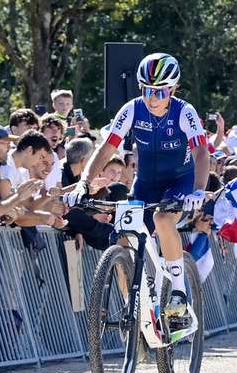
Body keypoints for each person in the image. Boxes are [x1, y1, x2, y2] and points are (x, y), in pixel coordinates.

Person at [68, 52, 209, 318]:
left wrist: (199, 190)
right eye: (147, 91)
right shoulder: (132, 109)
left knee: (163, 219)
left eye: (161, 92)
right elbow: (107, 148)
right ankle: (132, 304)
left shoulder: (184, 111)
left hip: (180, 182)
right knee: (122, 233)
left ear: (174, 89)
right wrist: (83, 184)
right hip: (145, 184)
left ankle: (178, 293)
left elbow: (202, 152)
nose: (153, 99)